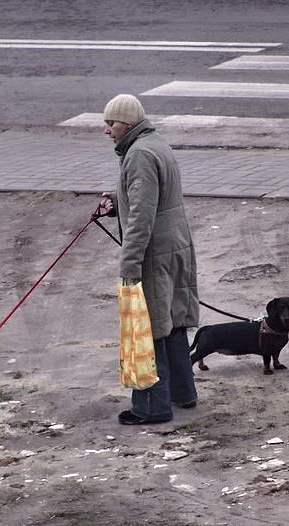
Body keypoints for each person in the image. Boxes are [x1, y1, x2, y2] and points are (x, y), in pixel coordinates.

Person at [98, 93, 199, 425]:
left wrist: (130, 263)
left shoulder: (138, 154)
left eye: (110, 123)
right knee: (172, 321)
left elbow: (141, 216)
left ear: (126, 122)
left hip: (155, 252)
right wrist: (117, 200)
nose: (107, 130)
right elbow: (150, 196)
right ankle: (183, 393)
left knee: (150, 327)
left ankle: (152, 407)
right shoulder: (154, 144)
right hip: (175, 245)